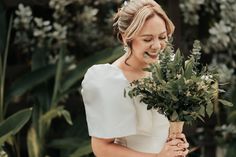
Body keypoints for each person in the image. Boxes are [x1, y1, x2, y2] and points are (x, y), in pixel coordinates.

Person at [81, 0, 189, 156]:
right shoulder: (110, 80)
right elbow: (102, 149)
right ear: (126, 38)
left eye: (162, 37)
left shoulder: (168, 70)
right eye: (147, 39)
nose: (157, 46)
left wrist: (176, 144)